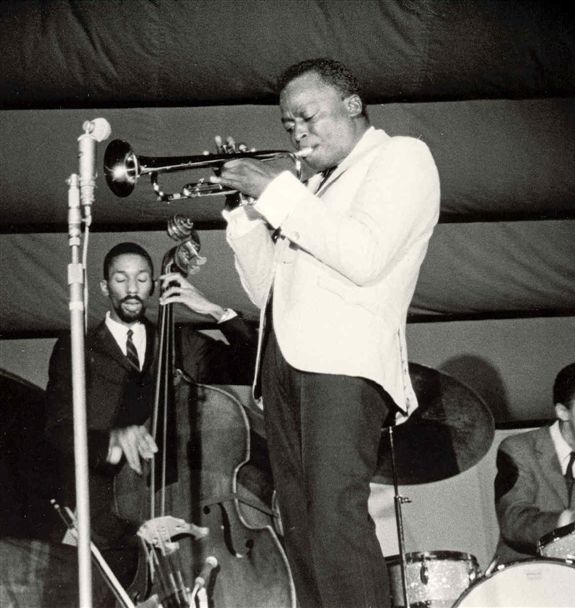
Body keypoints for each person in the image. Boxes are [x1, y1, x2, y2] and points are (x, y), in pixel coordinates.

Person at [215, 58, 440, 607]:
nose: (297, 133)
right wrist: (245, 215)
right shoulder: (312, 190)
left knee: (335, 519)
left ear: (352, 104)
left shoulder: (401, 156)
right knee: (302, 530)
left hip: (343, 365)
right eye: (288, 126)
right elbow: (268, 292)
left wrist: (278, 195)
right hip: (284, 365)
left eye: (307, 117)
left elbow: (362, 256)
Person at [42, 241, 256, 606]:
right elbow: (58, 428)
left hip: (174, 514)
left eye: (142, 279)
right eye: (121, 279)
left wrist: (213, 310)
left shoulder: (175, 341)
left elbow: (251, 363)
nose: (131, 288)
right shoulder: (76, 347)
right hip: (103, 518)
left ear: (153, 286)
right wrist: (112, 438)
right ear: (105, 286)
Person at [493, 361, 575, 565]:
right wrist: (571, 519)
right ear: (562, 411)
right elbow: (513, 521)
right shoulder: (518, 449)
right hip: (522, 577)